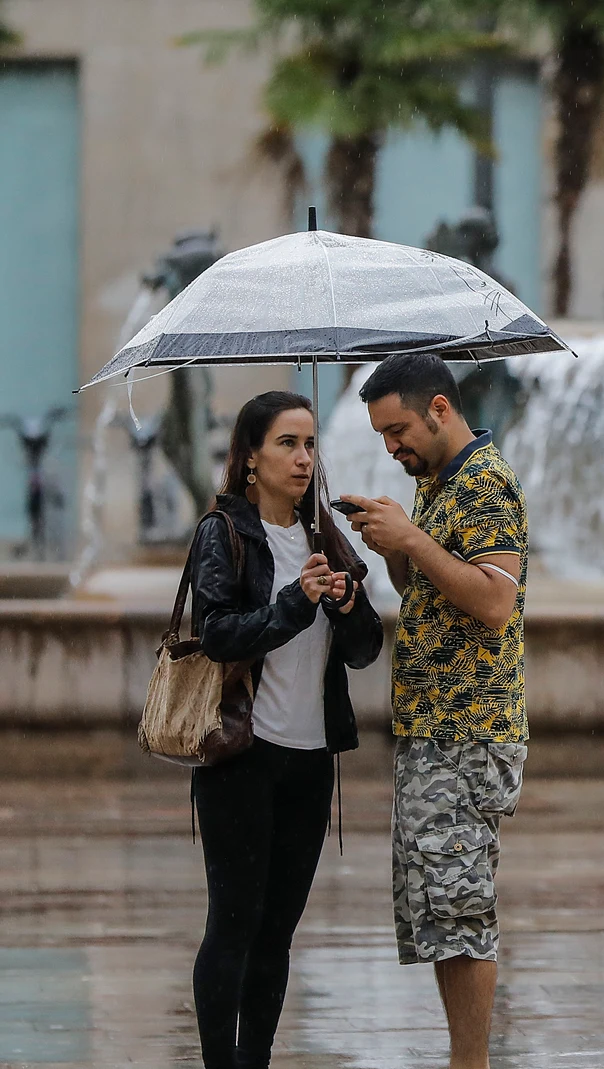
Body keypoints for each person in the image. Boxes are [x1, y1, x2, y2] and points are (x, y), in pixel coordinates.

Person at [340, 353, 528, 1069]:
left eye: (398, 430)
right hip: (434, 727)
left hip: (469, 731)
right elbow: (429, 586)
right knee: (441, 908)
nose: (392, 447)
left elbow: (492, 600)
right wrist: (390, 547)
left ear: (440, 410)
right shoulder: (438, 482)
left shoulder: (484, 484)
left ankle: (469, 1063)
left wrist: (413, 540)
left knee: (461, 902)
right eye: (384, 435)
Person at [189, 391, 382, 1069]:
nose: (303, 458)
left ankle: (256, 1060)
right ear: (250, 458)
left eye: (308, 444)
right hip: (243, 756)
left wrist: (351, 603)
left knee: (276, 934)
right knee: (233, 925)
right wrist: (294, 604)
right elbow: (216, 634)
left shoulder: (323, 535)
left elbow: (364, 650)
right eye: (286, 444)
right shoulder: (226, 532)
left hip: (309, 762)